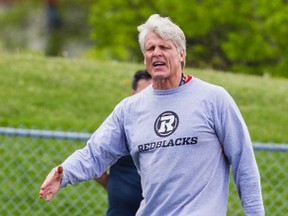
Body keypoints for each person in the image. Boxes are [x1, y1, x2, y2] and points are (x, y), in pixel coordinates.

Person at [39, 14, 265, 215]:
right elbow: (94, 154)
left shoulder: (214, 99)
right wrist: (64, 173)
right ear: (145, 58)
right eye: (150, 48)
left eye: (164, 47)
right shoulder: (129, 110)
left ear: (181, 54)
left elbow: (244, 163)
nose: (156, 52)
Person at [95, 70, 151, 216]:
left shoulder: (167, 128)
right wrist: (114, 187)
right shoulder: (121, 125)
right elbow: (95, 159)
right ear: (133, 94)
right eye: (143, 93)